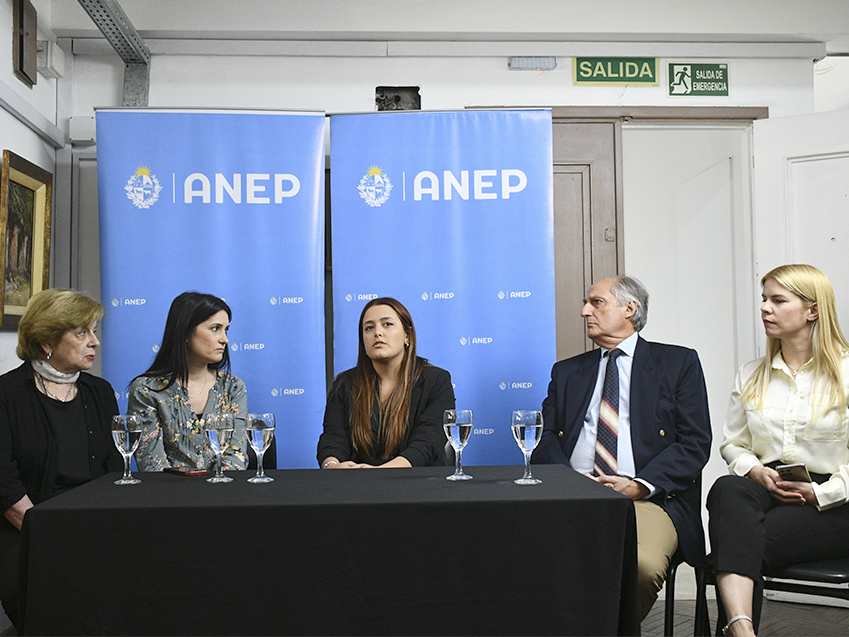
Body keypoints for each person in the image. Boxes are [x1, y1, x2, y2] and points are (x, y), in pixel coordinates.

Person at [531, 275, 712, 619]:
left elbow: (694, 443)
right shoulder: (567, 372)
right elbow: (544, 437)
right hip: (571, 498)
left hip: (647, 501)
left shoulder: (677, 363)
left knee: (639, 567)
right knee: (526, 564)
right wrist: (571, 483)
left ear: (630, 308)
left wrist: (639, 485)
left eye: (596, 302)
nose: (585, 311)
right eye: (586, 303)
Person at [707, 264, 849, 637]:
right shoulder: (752, 373)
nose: (765, 308)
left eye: (778, 300)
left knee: (736, 539)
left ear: (812, 310)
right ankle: (743, 631)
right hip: (769, 485)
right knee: (728, 488)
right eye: (764, 299)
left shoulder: (846, 372)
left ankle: (736, 629)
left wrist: (821, 492)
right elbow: (734, 444)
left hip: (835, 501)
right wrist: (755, 470)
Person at [0, 289, 122, 628]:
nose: (95, 342)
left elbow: (114, 470)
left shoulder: (100, 392)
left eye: (94, 331)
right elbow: (4, 482)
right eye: (82, 333)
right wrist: (49, 533)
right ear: (46, 342)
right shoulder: (7, 394)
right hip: (27, 534)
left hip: (94, 529)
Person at [317, 297, 455, 468]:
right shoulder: (345, 383)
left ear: (407, 336)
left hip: (417, 481)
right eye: (369, 327)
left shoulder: (436, 381)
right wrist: (332, 466)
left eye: (387, 324)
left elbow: (427, 443)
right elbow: (332, 439)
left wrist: (380, 472)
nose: (377, 333)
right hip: (357, 482)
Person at [128, 292, 248, 472]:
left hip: (223, 488)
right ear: (185, 331)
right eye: (215, 328)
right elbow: (152, 464)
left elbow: (236, 456)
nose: (225, 339)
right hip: (168, 489)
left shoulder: (233, 387)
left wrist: (218, 484)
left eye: (226, 329)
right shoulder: (146, 390)